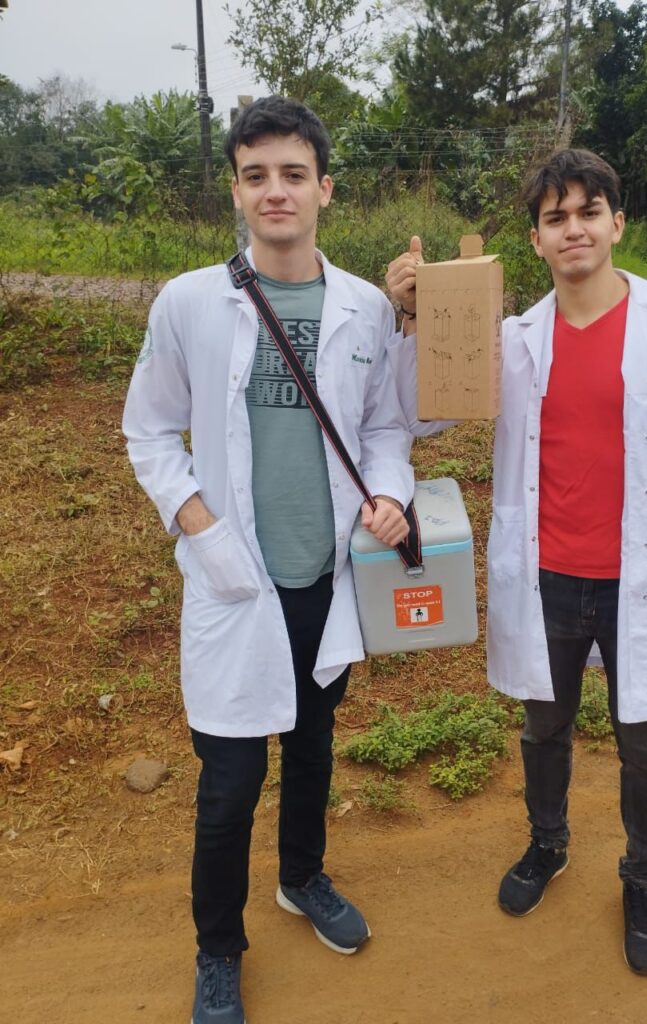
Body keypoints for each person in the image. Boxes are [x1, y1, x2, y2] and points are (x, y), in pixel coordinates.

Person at [385, 148, 647, 976]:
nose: (574, 229)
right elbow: (420, 414)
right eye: (555, 218)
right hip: (548, 578)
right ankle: (548, 843)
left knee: (646, 747)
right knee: (544, 727)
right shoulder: (513, 341)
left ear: (616, 223)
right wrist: (414, 320)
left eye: (589, 212)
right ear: (535, 239)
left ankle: (643, 880)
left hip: (641, 580)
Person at [123, 96, 414, 1024]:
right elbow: (148, 431)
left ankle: (302, 876)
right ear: (236, 192)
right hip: (233, 582)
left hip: (324, 577)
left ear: (325, 189)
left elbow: (386, 426)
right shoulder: (189, 303)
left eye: (294, 174)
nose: (275, 191)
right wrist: (199, 526)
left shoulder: (366, 307)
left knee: (314, 746)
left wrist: (390, 492)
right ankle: (218, 950)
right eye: (256, 176)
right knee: (229, 784)